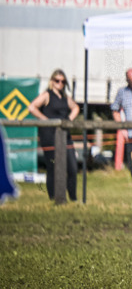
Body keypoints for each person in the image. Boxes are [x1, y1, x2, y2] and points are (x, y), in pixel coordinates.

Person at [27, 69, 79, 202]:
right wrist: (46, 120)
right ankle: (54, 198)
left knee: (72, 168)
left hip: (65, 136)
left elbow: (76, 108)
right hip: (49, 136)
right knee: (53, 167)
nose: (60, 84)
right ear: (52, 81)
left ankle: (73, 198)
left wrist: (69, 120)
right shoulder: (46, 95)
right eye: (57, 81)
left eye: (63, 81)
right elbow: (32, 107)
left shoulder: (65, 97)